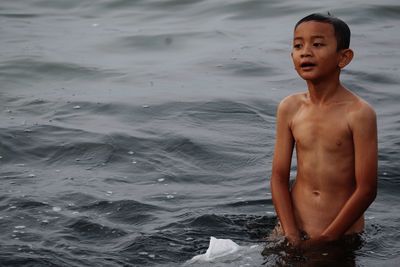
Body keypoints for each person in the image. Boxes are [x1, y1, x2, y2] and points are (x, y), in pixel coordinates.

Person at [270, 13, 378, 249]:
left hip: (340, 236)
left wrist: (327, 239)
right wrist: (290, 234)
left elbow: (367, 189)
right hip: (291, 229)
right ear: (292, 57)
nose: (305, 52)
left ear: (343, 57)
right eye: (298, 45)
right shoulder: (289, 108)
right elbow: (279, 177)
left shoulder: (359, 113)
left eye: (317, 44)